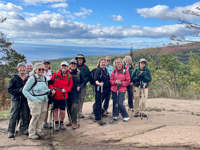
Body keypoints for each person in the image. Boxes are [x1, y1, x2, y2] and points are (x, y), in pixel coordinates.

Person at [22, 63, 55, 140]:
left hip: (44, 99)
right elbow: (24, 90)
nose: (41, 70)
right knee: (36, 116)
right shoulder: (32, 78)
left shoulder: (44, 78)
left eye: (42, 69)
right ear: (35, 70)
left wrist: (50, 91)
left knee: (42, 115)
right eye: (39, 69)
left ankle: (38, 130)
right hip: (35, 100)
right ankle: (32, 133)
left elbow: (45, 89)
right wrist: (32, 98)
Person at [49, 61, 73, 131]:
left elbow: (70, 86)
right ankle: (56, 123)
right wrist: (52, 89)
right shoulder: (55, 74)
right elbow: (51, 83)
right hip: (56, 95)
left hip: (63, 96)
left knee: (62, 111)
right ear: (60, 66)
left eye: (65, 66)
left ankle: (61, 123)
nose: (64, 67)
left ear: (67, 67)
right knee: (55, 109)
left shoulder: (69, 76)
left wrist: (65, 90)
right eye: (63, 66)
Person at [7, 62, 29, 138]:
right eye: (20, 67)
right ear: (18, 69)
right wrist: (19, 90)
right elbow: (10, 89)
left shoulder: (28, 78)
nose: (22, 69)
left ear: (25, 68)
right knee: (14, 115)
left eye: (23, 67)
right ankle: (11, 130)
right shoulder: (14, 78)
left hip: (25, 99)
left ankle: (23, 128)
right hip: (16, 99)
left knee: (25, 114)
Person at [66, 59, 84, 129]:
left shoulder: (79, 73)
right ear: (70, 65)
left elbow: (83, 82)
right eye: (71, 64)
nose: (73, 65)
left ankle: (74, 122)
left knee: (74, 107)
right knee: (68, 107)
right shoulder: (67, 72)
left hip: (75, 92)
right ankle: (70, 120)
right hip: (68, 92)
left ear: (76, 65)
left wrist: (80, 87)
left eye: (74, 64)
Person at [94, 58, 111, 125]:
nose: (103, 63)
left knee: (102, 101)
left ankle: (101, 113)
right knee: (98, 102)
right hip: (100, 89)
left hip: (106, 89)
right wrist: (99, 84)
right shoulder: (98, 70)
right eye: (102, 62)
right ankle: (97, 117)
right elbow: (96, 79)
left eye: (104, 62)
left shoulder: (105, 70)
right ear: (99, 63)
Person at [75, 54, 90, 118]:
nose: (80, 59)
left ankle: (80, 112)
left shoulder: (85, 67)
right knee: (76, 99)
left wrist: (84, 81)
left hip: (83, 85)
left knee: (82, 98)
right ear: (77, 59)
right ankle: (76, 112)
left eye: (81, 58)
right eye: (79, 58)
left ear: (83, 59)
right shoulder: (74, 66)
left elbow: (89, 76)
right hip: (76, 86)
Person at [42, 59, 54, 128]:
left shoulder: (51, 72)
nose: (46, 65)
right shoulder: (40, 72)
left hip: (49, 93)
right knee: (41, 108)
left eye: (47, 64)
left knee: (46, 108)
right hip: (41, 93)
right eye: (45, 64)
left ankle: (45, 122)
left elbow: (53, 82)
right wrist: (48, 82)